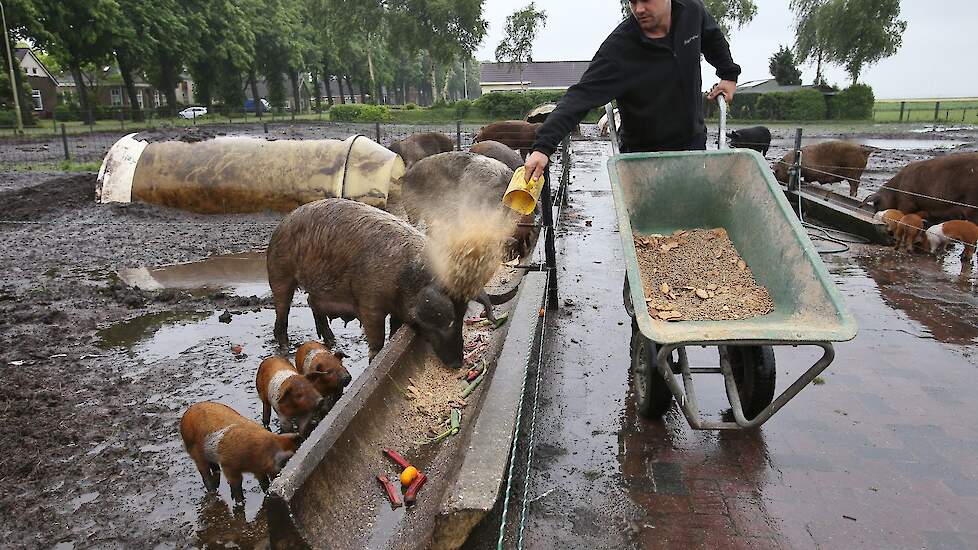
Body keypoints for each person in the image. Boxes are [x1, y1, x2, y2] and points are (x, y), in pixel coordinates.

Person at [524, 0, 741, 181]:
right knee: (650, 229)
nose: (638, 9)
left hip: (692, 144)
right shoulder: (619, 50)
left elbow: (713, 38)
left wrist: (729, 75)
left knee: (694, 223)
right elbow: (580, 97)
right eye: (632, 1)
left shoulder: (691, 12)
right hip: (642, 158)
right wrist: (543, 147)